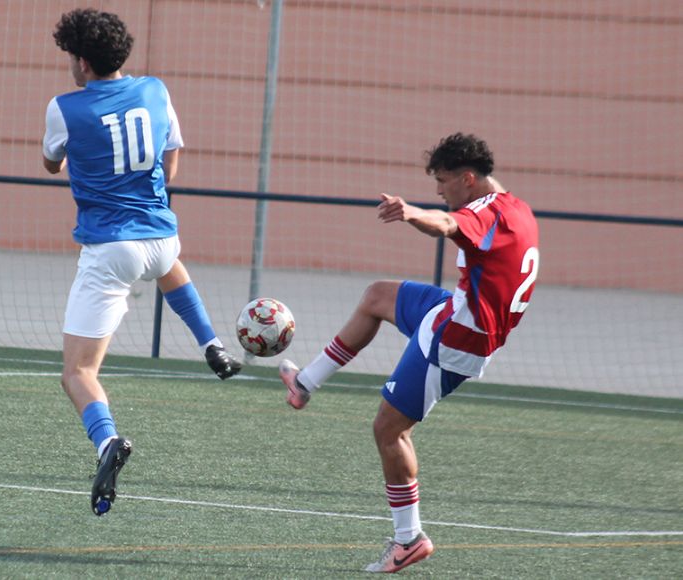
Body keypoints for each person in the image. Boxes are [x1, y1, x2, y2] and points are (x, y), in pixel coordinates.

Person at [279, 133, 539, 573]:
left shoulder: (479, 214)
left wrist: (411, 213)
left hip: (457, 339)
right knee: (378, 295)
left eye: (443, 181)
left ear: (469, 179)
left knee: (389, 430)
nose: (440, 190)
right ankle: (305, 384)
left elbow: (447, 224)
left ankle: (409, 539)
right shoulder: (516, 206)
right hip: (457, 312)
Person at [41, 8, 242, 517]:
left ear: (82, 62)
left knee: (77, 372)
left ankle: (107, 442)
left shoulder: (65, 107)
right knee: (169, 267)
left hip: (111, 248)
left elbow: (51, 161)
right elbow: (170, 157)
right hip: (162, 232)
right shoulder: (155, 89)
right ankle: (212, 345)